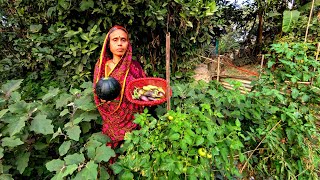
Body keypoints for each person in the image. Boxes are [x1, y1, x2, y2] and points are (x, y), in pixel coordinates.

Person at [93, 25, 146, 154]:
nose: (120, 44)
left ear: (128, 43)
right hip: (111, 120)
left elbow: (143, 91)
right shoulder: (101, 66)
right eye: (115, 40)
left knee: (133, 153)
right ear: (108, 44)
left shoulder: (135, 67)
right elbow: (97, 91)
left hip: (133, 120)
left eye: (123, 40)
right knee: (111, 154)